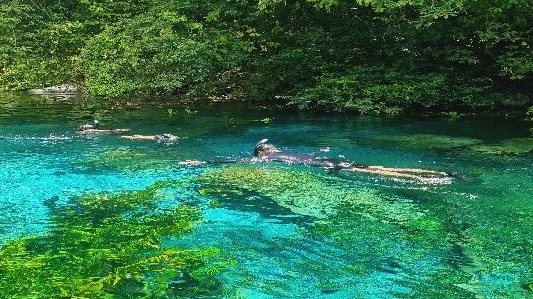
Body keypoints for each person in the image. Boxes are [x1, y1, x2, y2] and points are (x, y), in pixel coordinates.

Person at [182, 139, 452, 182]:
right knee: (377, 170)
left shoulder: (267, 158)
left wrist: (203, 163)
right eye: (267, 146)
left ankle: (423, 176)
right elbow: (231, 161)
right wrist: (202, 163)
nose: (271, 146)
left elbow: (233, 161)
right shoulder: (268, 157)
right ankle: (422, 174)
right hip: (324, 161)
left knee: (376, 172)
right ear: (264, 152)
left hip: (322, 164)